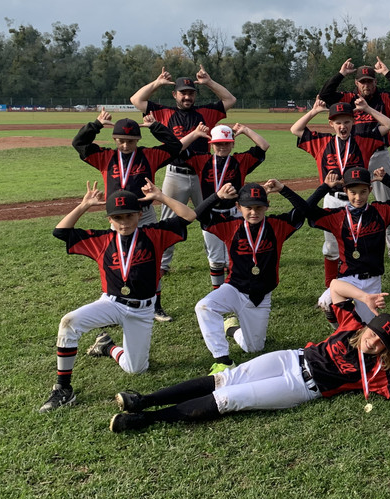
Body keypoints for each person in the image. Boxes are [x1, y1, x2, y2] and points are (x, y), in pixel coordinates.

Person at [107, 280, 390, 432]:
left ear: (386, 347)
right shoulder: (352, 326)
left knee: (230, 399)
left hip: (300, 387)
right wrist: (365, 297)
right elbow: (334, 287)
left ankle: (145, 420)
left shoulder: (377, 368)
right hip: (289, 358)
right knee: (225, 378)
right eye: (373, 333)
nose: (373, 342)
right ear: (367, 327)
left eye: (381, 342)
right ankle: (144, 400)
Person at [39, 181, 196, 413]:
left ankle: (107, 346)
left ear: (140, 215)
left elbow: (189, 216)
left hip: (142, 310)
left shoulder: (155, 234)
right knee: (69, 322)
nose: (124, 222)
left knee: (136, 369)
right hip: (112, 303)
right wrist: (84, 206)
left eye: (129, 215)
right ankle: (63, 389)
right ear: (109, 220)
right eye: (117, 217)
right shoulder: (101, 240)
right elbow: (60, 232)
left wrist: (161, 197)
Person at [130, 65, 237, 321]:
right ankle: (163, 266)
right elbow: (137, 100)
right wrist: (157, 82)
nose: (187, 96)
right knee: (168, 225)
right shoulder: (164, 112)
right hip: (175, 174)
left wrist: (209, 81)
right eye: (183, 93)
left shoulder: (206, 113)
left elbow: (229, 99)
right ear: (175, 95)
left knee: (211, 221)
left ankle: (221, 266)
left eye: (190, 93)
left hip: (203, 175)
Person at [194, 179, 313, 374]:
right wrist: (217, 196)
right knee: (204, 306)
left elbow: (305, 211)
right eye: (248, 207)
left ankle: (231, 329)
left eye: (259, 207)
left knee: (254, 348)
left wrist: (283, 189)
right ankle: (223, 360)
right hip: (234, 289)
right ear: (238, 207)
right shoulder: (230, 226)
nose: (253, 212)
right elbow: (198, 215)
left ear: (267, 206)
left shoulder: (277, 225)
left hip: (260, 296)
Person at [291, 96, 390, 288]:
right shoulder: (322, 142)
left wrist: (367, 108)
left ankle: (356, 286)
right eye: (338, 122)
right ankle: (331, 288)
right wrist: (313, 111)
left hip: (357, 200)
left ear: (353, 122)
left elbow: (388, 124)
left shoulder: (363, 140)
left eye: (347, 121)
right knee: (331, 247)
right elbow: (295, 129)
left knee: (357, 245)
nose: (342, 126)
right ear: (331, 124)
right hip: (332, 200)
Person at [319, 58, 390, 268]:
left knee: (386, 202)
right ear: (356, 83)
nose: (366, 85)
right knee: (353, 201)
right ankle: (355, 246)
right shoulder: (348, 98)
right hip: (353, 157)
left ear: (375, 82)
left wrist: (387, 72)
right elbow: (325, 95)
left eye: (370, 81)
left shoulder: (384, 99)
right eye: (362, 81)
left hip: (378, 155)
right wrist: (341, 74)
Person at [305, 167, 390, 323]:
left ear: (370, 190)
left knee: (364, 326)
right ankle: (342, 331)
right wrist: (325, 187)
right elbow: (306, 209)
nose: (358, 197)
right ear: (345, 191)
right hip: (346, 279)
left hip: (371, 280)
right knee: (326, 303)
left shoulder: (381, 211)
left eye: (363, 192)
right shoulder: (338, 216)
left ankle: (351, 330)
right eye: (353, 192)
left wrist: (386, 179)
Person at [180, 122, 269, 289]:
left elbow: (264, 146)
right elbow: (176, 149)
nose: (222, 147)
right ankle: (217, 293)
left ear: (233, 144)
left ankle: (233, 290)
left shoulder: (240, 161)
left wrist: (245, 130)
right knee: (215, 259)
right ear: (211, 144)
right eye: (218, 143)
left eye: (226, 143)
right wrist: (195, 134)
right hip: (210, 214)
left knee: (234, 256)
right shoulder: (202, 160)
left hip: (234, 213)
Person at [71, 110, 185, 226]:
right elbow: (79, 143)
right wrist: (97, 124)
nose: (125, 146)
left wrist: (155, 127)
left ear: (138, 139)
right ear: (114, 139)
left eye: (130, 141)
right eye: (121, 141)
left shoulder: (149, 156)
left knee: (149, 238)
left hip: (144, 214)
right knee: (119, 239)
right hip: (118, 214)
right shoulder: (105, 157)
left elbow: (175, 146)